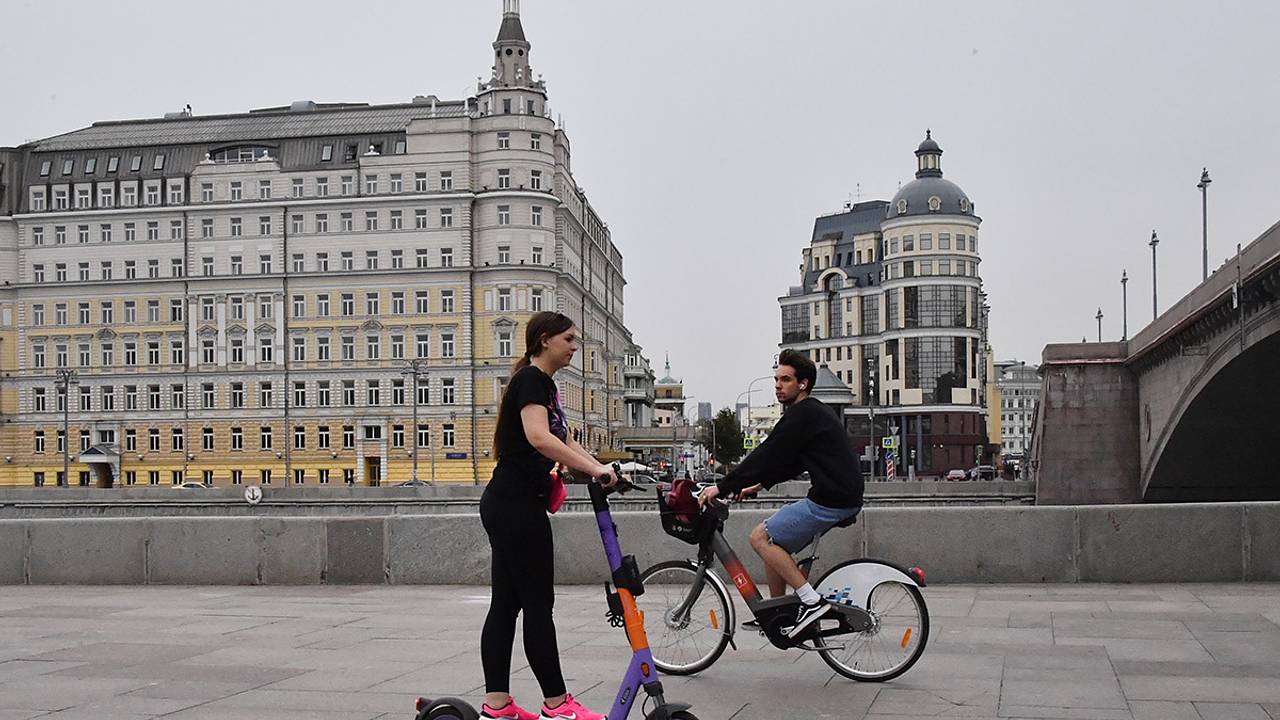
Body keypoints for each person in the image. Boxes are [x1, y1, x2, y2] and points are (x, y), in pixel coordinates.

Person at [479, 311, 618, 720]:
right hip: (516, 506)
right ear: (544, 340)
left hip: (511, 503)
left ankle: (498, 705)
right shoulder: (531, 381)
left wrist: (604, 469)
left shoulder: (547, 387)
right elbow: (539, 438)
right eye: (570, 339)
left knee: (506, 604)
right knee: (537, 604)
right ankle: (557, 705)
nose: (575, 347)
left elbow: (568, 446)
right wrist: (595, 470)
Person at [698, 349, 863, 638]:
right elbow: (797, 460)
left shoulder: (803, 413)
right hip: (841, 496)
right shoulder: (811, 412)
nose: (778, 385)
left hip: (832, 499)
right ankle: (777, 612)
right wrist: (759, 485)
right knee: (775, 541)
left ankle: (811, 602)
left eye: (785, 379)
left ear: (803, 384)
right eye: (776, 379)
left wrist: (722, 486)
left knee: (759, 537)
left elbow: (766, 453)